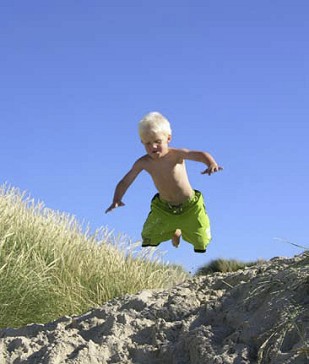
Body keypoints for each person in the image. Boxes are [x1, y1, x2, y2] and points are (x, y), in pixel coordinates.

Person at [105, 112, 223, 253]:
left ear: (168, 138)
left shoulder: (177, 155)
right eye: (148, 143)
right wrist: (117, 199)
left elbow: (199, 154)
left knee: (201, 240)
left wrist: (211, 163)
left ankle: (180, 230)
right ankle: (175, 231)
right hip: (164, 209)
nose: (153, 147)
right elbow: (125, 181)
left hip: (190, 206)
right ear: (142, 142)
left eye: (157, 142)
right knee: (149, 236)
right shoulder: (143, 162)